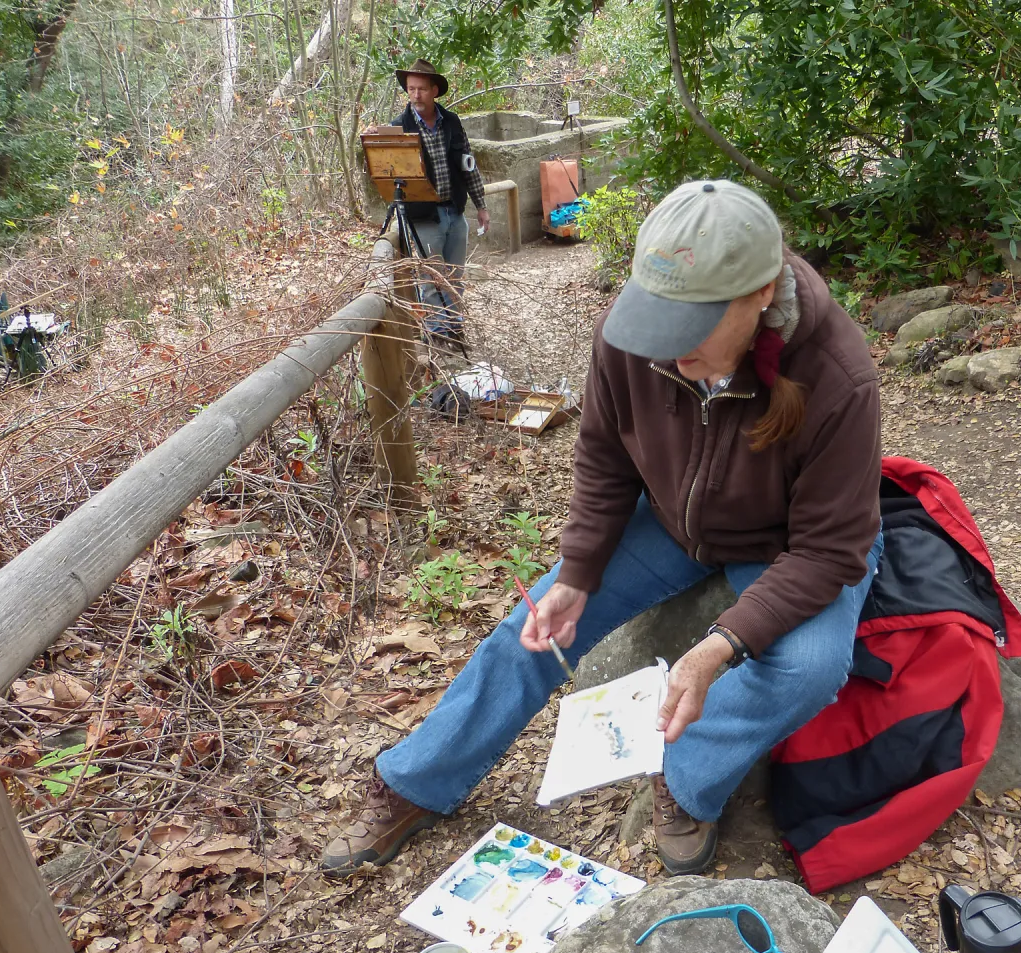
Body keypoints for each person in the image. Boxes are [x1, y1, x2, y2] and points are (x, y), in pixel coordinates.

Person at [321, 180, 883, 878]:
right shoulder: (630, 332)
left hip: (788, 546)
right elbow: (603, 457)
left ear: (762, 293)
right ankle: (417, 780)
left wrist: (721, 644)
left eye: (695, 323)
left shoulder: (836, 373)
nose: (670, 347)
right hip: (673, 525)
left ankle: (685, 777)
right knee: (536, 623)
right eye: (661, 317)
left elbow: (831, 549)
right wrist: (580, 571)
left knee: (809, 666)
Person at [390, 59, 490, 347]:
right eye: (411, 89)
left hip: (454, 211)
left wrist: (480, 205)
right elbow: (386, 170)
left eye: (422, 89)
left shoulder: (451, 122)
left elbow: (468, 165)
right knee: (431, 278)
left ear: (434, 91)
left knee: (455, 276)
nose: (416, 95)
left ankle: (455, 329)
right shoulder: (399, 128)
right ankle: (436, 335)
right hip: (424, 216)